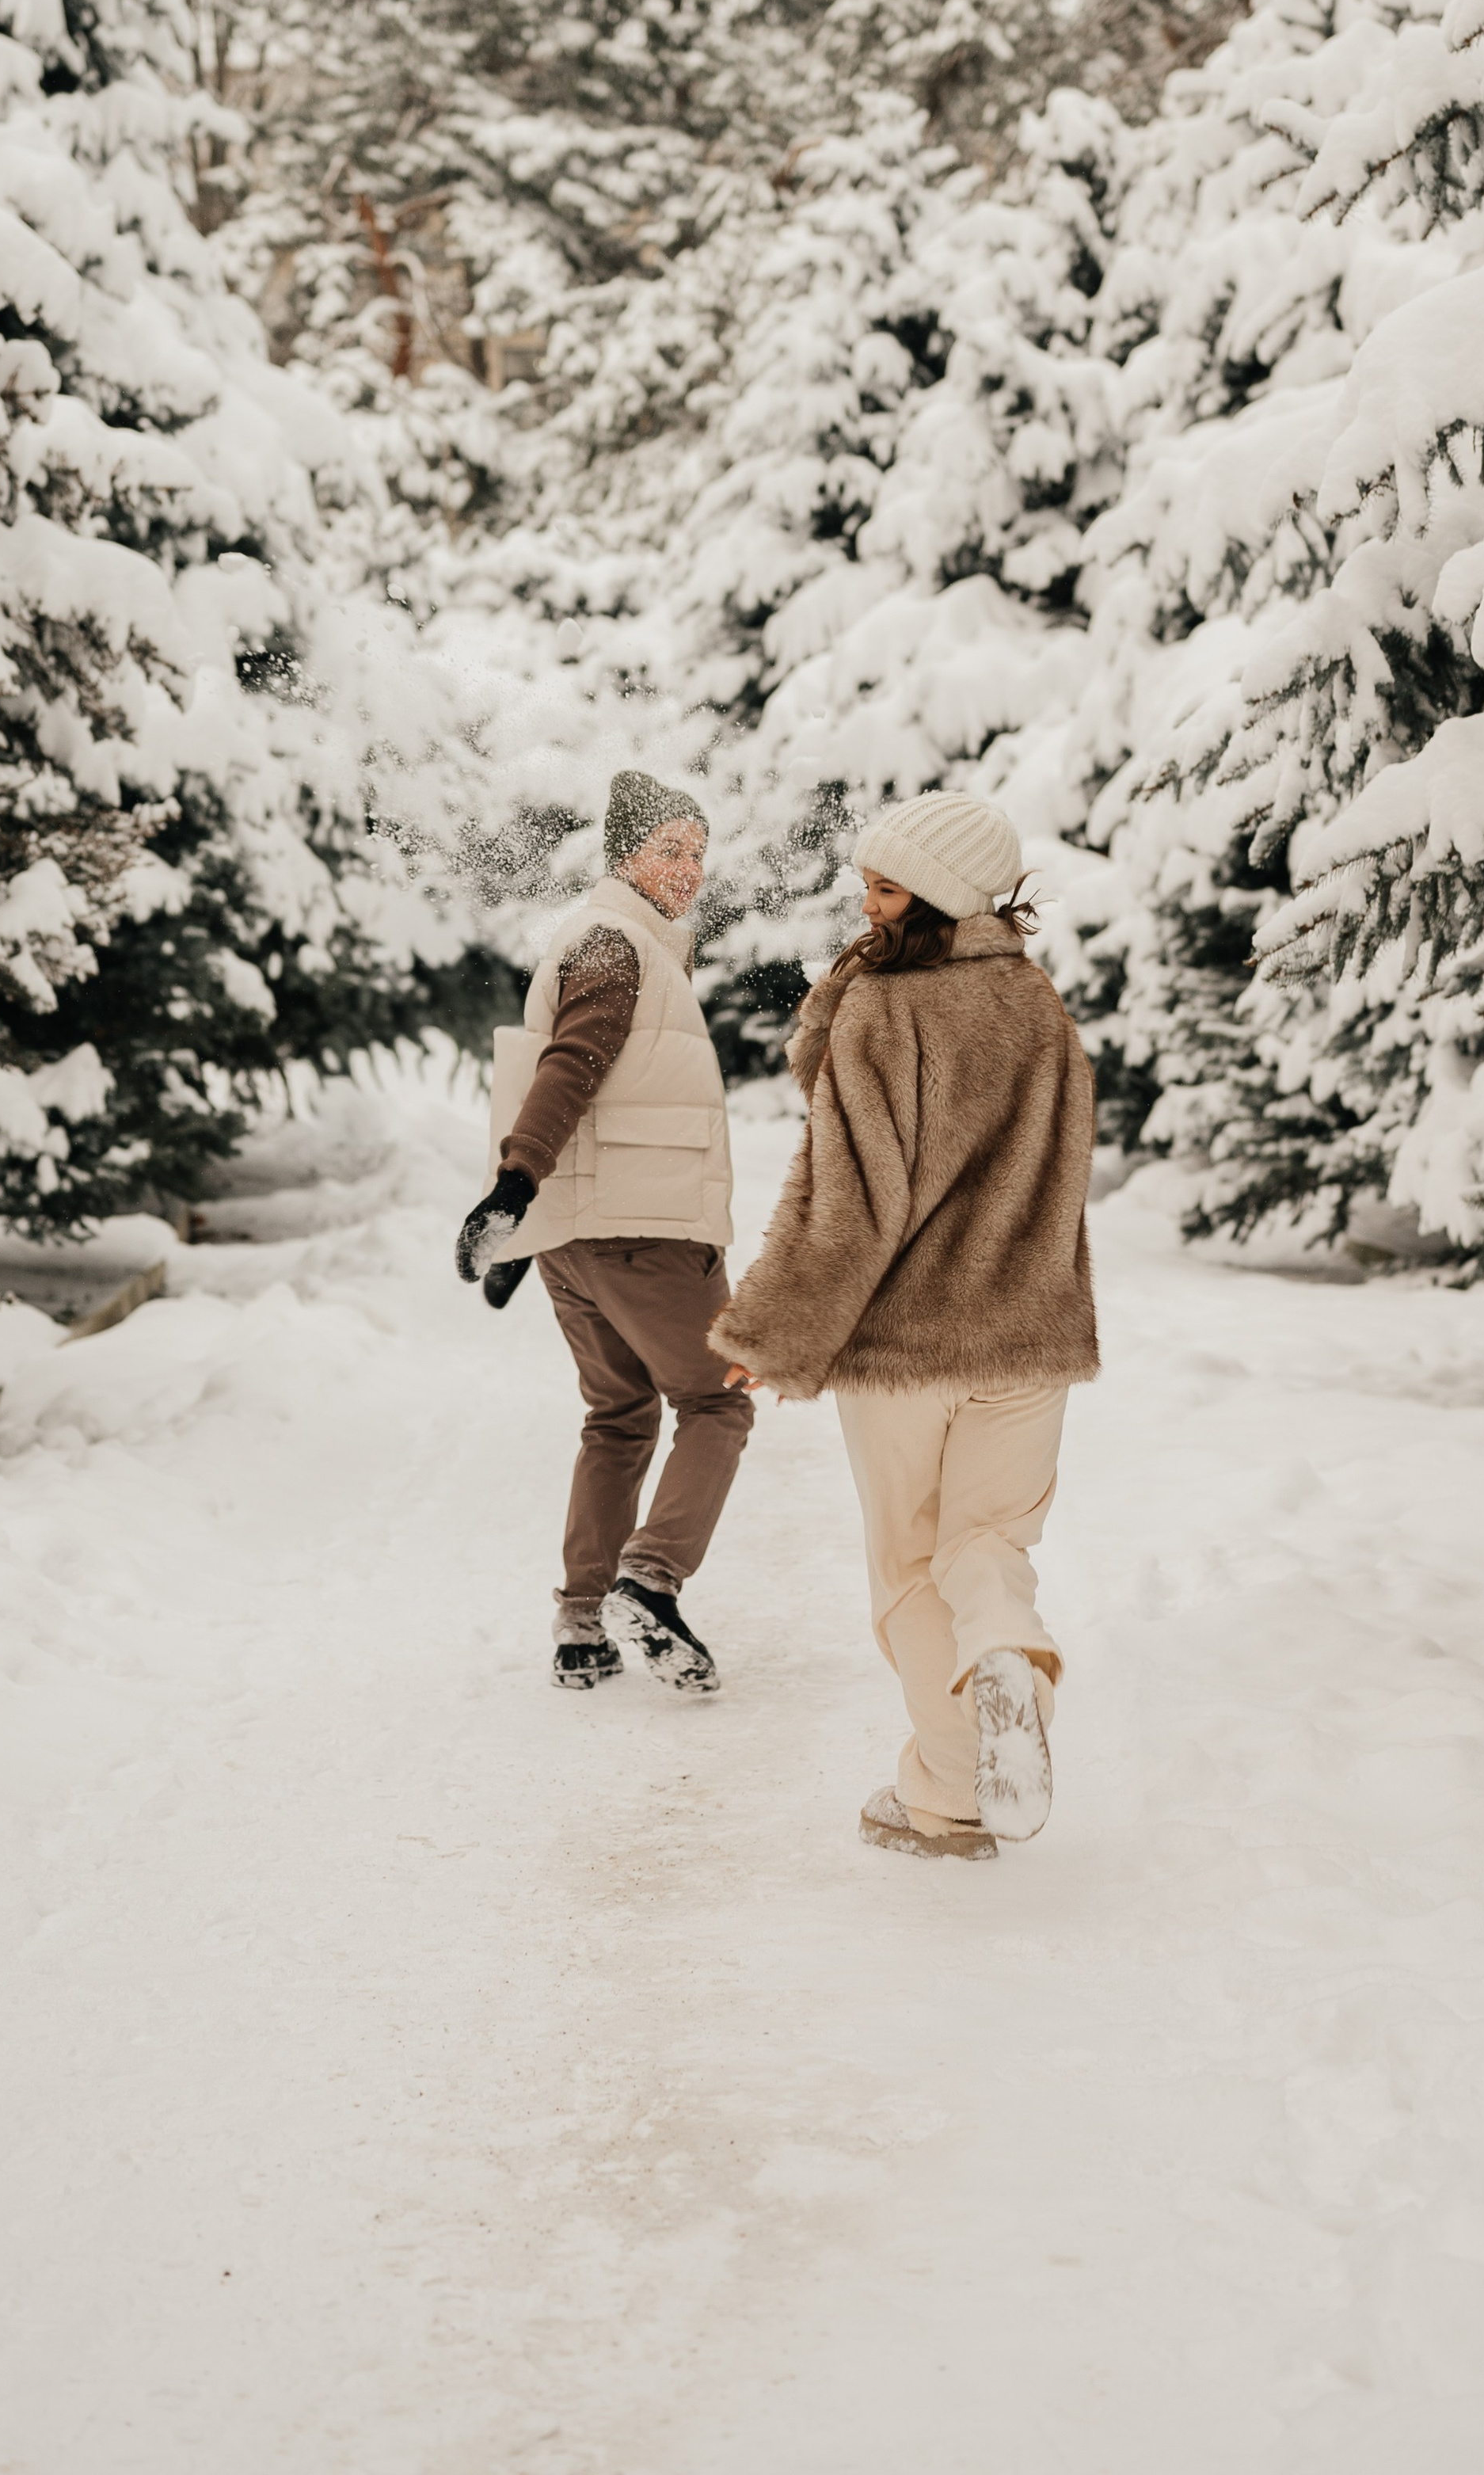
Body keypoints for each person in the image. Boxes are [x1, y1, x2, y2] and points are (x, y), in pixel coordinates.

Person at [710, 791, 1098, 1857]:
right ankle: (1005, 1662)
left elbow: (850, 1197)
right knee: (990, 1546)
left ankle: (951, 1796)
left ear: (941, 894)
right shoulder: (1039, 1008)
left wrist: (775, 1331)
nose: (868, 902)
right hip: (1030, 1340)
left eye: (888, 884)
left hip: (908, 1351)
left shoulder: (884, 1010)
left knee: (909, 1573)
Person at [455, 771, 752, 1695]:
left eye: (698, 851)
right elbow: (566, 1068)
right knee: (720, 1399)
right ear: (623, 855)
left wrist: (525, 1226)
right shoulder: (617, 946)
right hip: (647, 1229)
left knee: (618, 1414)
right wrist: (515, 1182)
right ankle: (648, 1582)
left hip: (579, 1243)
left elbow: (547, 1073)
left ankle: (583, 1620)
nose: (688, 869)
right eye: (669, 847)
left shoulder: (615, 944)